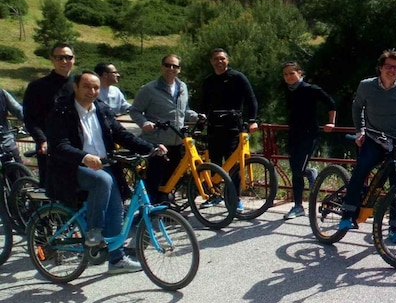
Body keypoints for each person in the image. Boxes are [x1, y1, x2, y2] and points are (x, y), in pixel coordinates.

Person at [46, 71, 166, 274]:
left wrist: (149, 148)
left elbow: (121, 134)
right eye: (86, 87)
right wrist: (84, 157)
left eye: (95, 87)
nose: (92, 91)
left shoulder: (101, 109)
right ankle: (94, 232)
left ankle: (116, 260)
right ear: (76, 87)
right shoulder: (61, 111)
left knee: (116, 212)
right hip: (72, 168)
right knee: (102, 181)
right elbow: (58, 145)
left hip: (105, 166)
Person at [337, 49, 396, 244]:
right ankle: (347, 215)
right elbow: (357, 107)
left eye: (395, 67)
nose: (391, 70)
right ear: (380, 67)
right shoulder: (366, 86)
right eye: (388, 66)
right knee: (361, 171)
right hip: (373, 138)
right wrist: (360, 131)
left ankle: (395, 227)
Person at [130, 54, 201, 204]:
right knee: (155, 177)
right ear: (162, 67)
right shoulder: (149, 89)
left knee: (172, 177)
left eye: (175, 66)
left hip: (177, 140)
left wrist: (196, 116)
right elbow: (134, 110)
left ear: (179, 70)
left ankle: (164, 207)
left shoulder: (182, 88)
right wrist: (144, 123)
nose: (171, 69)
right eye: (168, 65)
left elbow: (183, 110)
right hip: (157, 140)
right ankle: (148, 211)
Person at [282, 61, 337, 220]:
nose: (289, 77)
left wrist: (331, 122)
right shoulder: (288, 91)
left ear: (300, 73)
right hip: (293, 134)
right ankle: (298, 206)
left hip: (309, 134)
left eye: (292, 73)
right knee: (295, 171)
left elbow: (331, 103)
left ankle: (310, 173)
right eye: (285, 74)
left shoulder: (310, 89)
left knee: (299, 169)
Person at [23, 43, 76, 184]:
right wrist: (42, 140)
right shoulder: (37, 87)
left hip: (78, 147)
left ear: (74, 59)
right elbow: (30, 119)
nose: (64, 61)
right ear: (51, 59)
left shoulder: (81, 84)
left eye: (68, 57)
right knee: (51, 196)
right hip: (50, 148)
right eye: (59, 58)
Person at [201, 48, 258, 167]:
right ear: (211, 61)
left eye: (222, 58)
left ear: (228, 60)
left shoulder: (238, 77)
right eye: (216, 59)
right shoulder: (208, 81)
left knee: (233, 164)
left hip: (233, 128)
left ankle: (234, 186)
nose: (219, 61)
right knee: (214, 164)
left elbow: (251, 100)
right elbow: (204, 104)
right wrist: (202, 120)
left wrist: (252, 120)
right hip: (214, 128)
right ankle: (214, 186)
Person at [0, 87, 25, 164]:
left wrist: (31, 122)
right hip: (6, 139)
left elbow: (18, 110)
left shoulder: (1, 94)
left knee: (19, 170)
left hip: (6, 140)